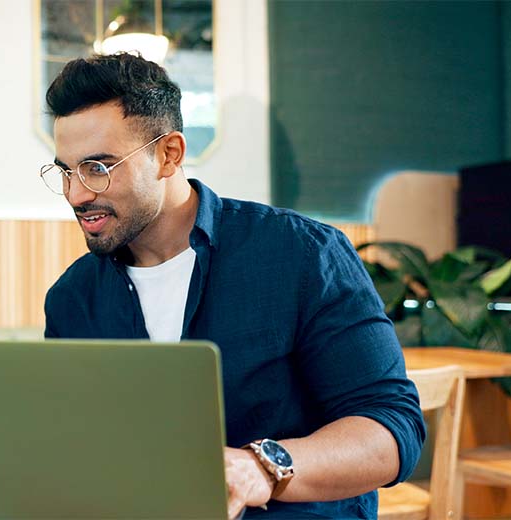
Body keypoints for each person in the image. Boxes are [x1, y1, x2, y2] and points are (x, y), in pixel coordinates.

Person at [40, 53, 425, 519]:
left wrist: (263, 468)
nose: (77, 194)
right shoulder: (72, 299)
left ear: (169, 154)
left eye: (98, 168)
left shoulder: (302, 254)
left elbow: (391, 431)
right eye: (66, 170)